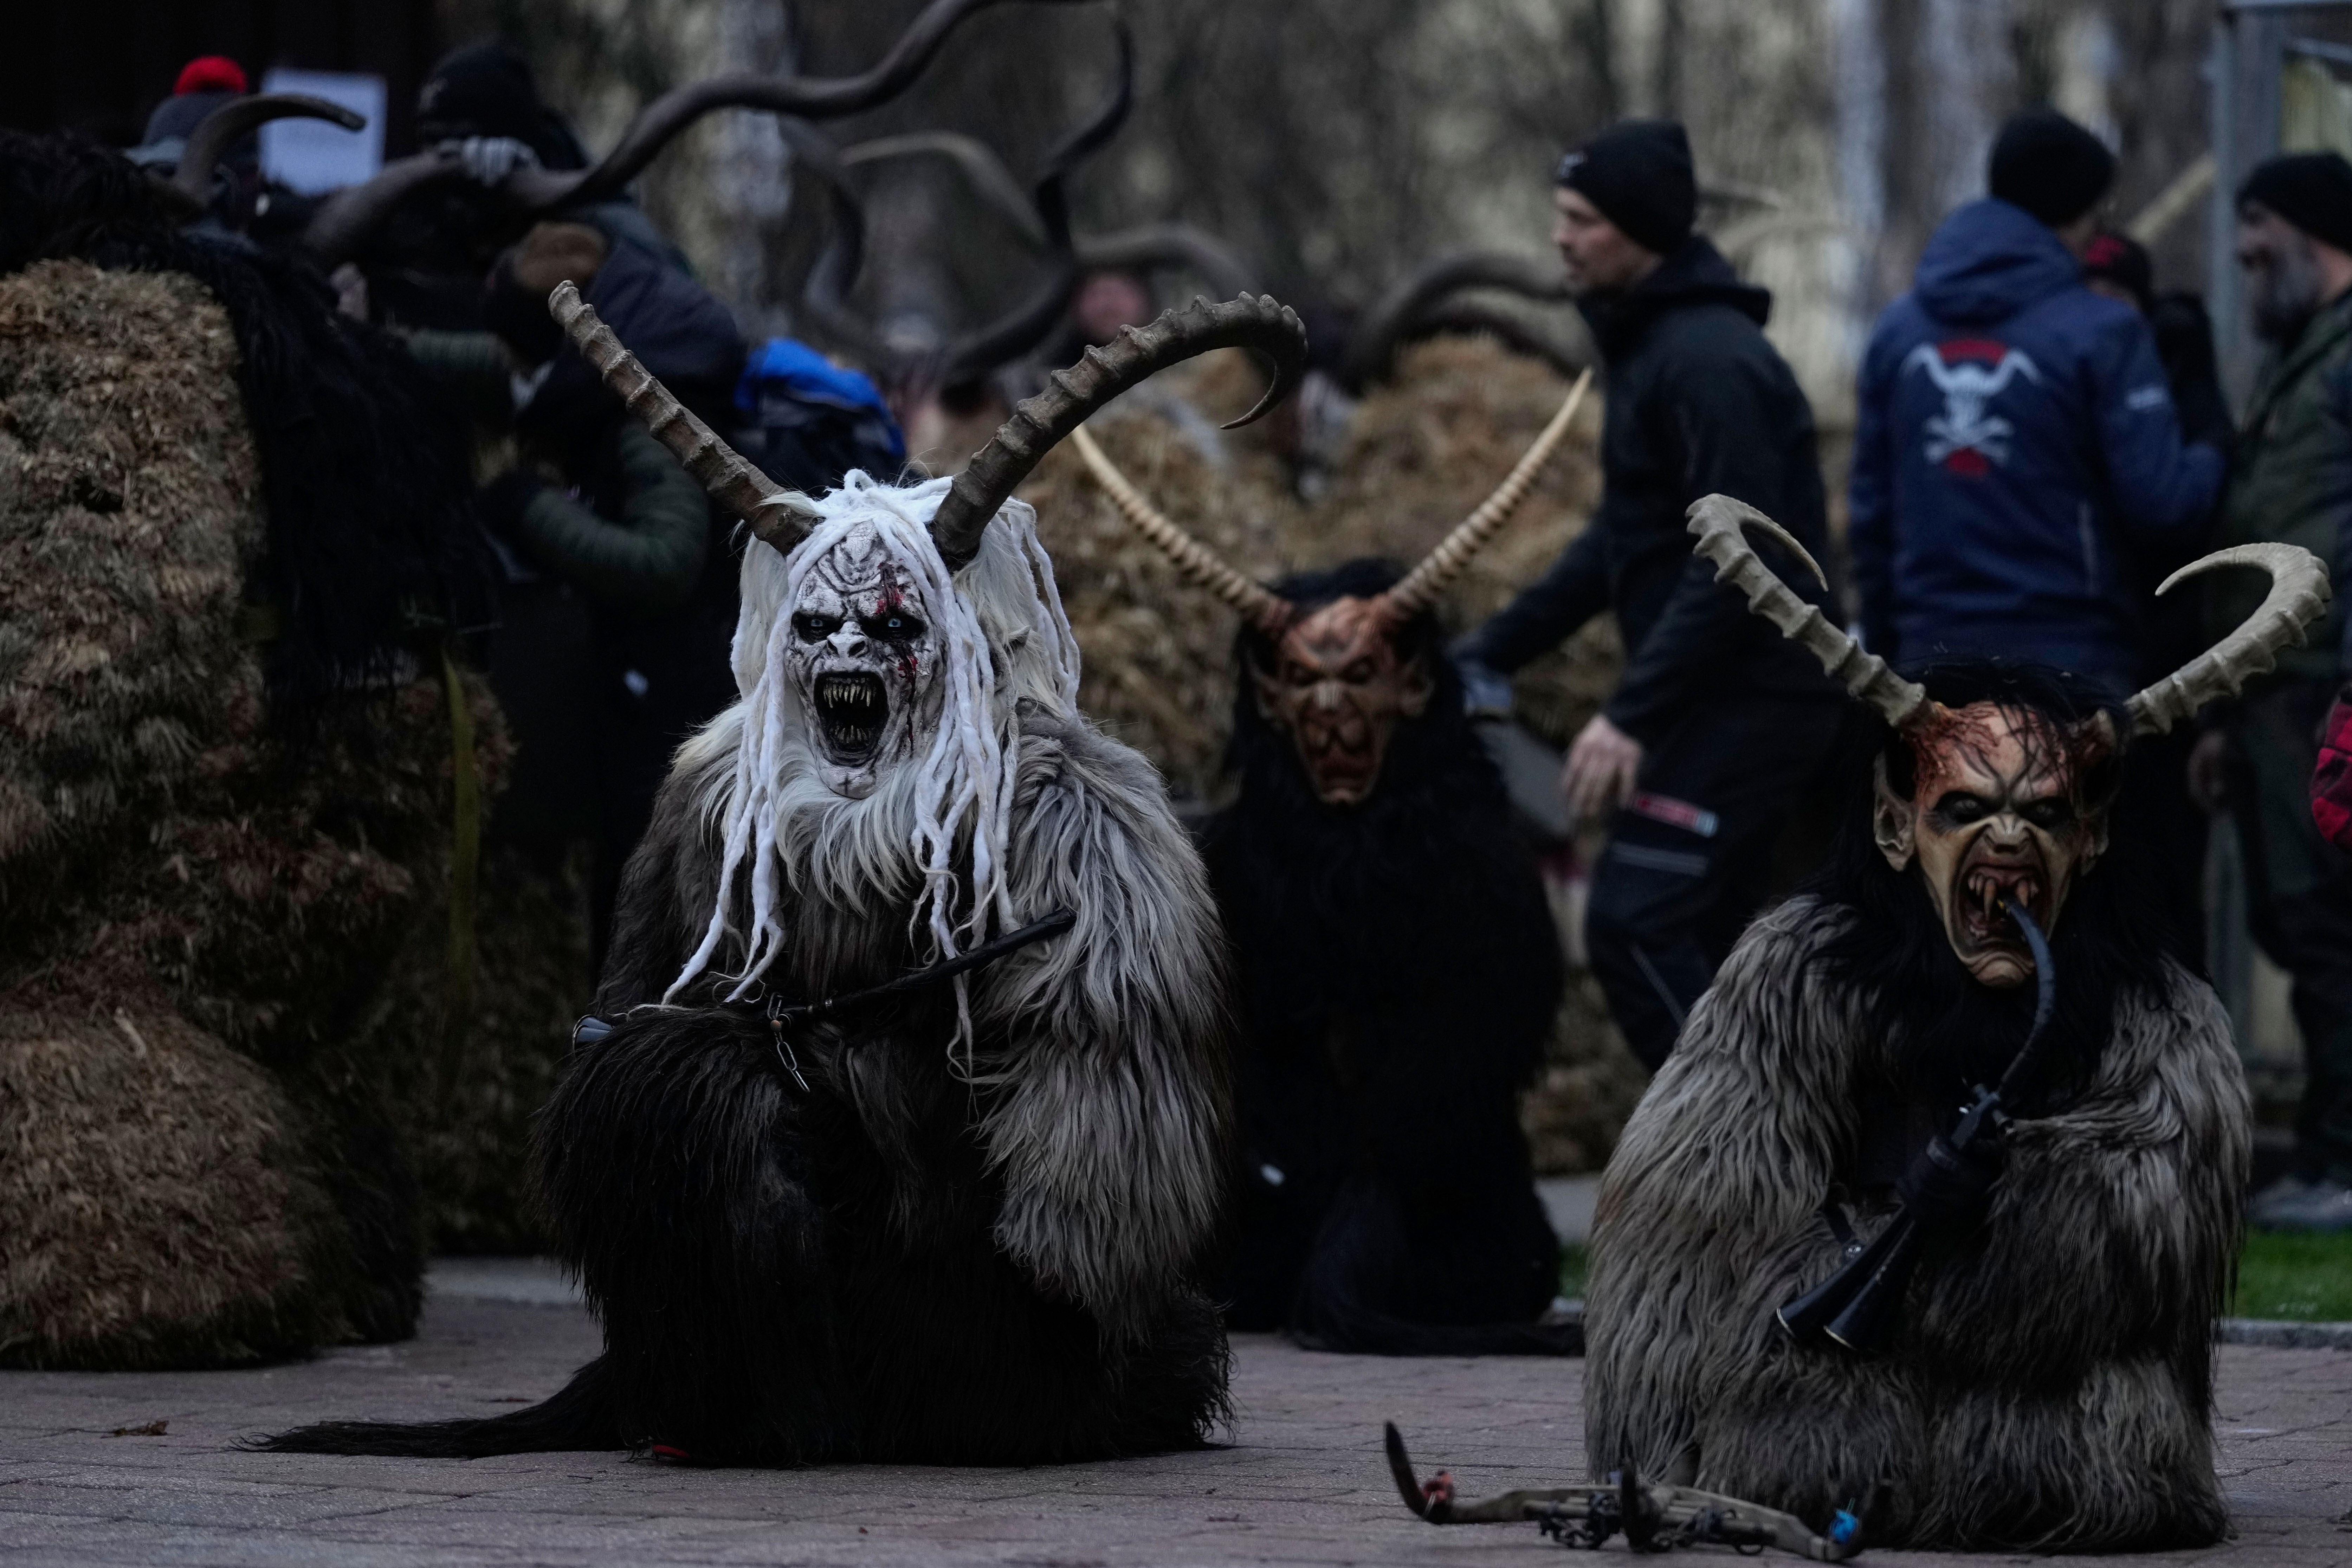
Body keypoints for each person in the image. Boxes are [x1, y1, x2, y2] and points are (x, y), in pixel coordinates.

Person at [1583, 499, 2319, 1550]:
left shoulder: (2160, 1013)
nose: (2009, 834)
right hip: (1818, 1397)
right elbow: (1688, 1232)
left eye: (2047, 813)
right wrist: (1874, 1242)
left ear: (2093, 837)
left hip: (2052, 1422)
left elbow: (2144, 1231)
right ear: (1896, 826)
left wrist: (2006, 1212)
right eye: (1964, 809)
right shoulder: (1793, 975)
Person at [1455, 118, 1842, 1072]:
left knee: (1632, 917)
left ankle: (1729, 1149)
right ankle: (1783, 1178)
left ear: (1642, 229)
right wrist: (1483, 651)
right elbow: (1623, 544)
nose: (1560, 237)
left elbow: (1744, 566)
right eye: (1560, 217)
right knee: (1705, 941)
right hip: (1709, 699)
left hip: (1754, 699)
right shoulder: (1654, 349)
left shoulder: (1707, 362)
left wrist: (1626, 716)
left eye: (1580, 219)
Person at [1848, 110, 2223, 696]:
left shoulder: (1897, 333)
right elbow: (2163, 503)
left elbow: (1872, 517)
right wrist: (2214, 447)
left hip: (1928, 662)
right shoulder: (2103, 330)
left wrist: (1887, 651)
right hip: (2070, 665)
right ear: (2083, 213)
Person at [2192, 151, 2352, 1231]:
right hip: (2266, 702)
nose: (2243, 248)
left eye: (2257, 224)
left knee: (2330, 927)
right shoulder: (2299, 357)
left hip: (2322, 696)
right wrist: (2219, 713)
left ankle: (2343, 1165)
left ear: (2311, 231)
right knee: (2302, 932)